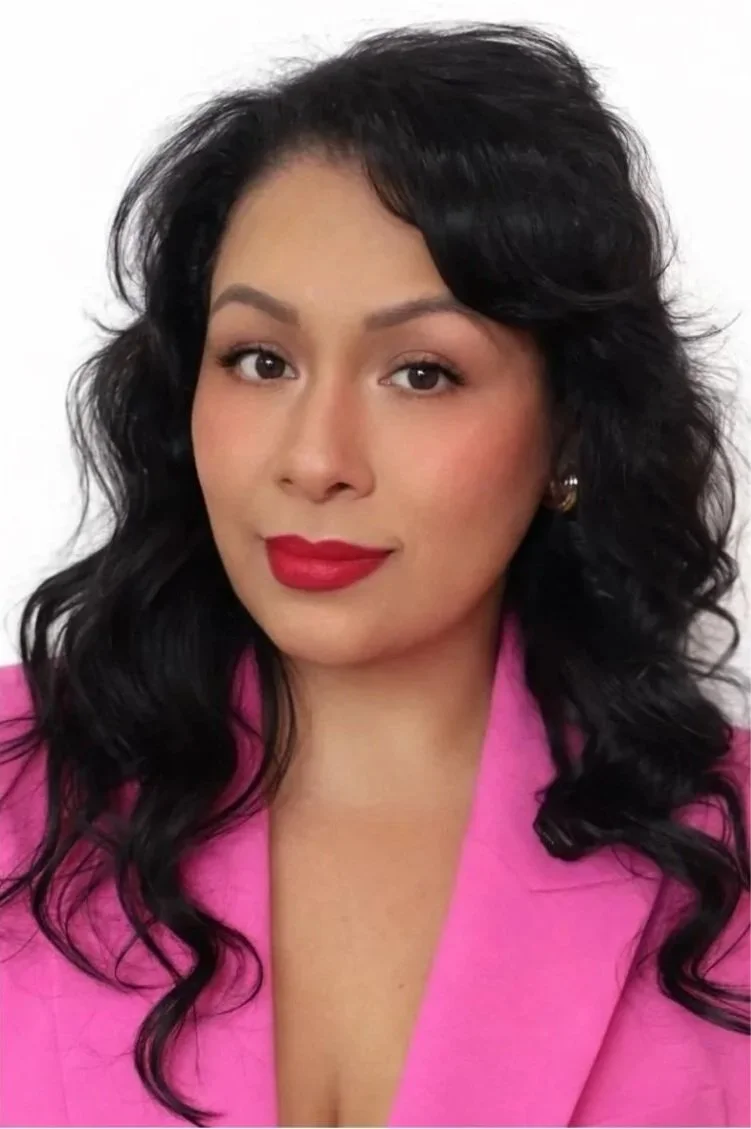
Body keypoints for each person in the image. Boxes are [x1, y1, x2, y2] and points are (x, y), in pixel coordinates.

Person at [0, 20, 748, 1129]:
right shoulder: (15, 794)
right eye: (260, 359)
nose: (315, 460)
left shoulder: (723, 862)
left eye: (421, 372)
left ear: (571, 438)